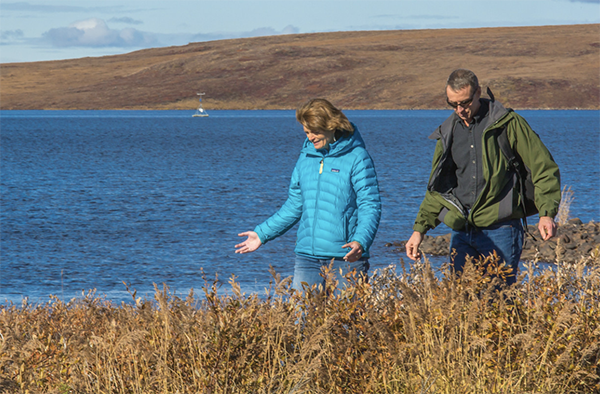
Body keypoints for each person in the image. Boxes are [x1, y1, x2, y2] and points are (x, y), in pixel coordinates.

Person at [405, 69, 561, 285]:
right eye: (453, 104)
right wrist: (419, 230)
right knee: (460, 303)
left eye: (465, 102)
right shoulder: (447, 131)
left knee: (497, 302)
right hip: (461, 231)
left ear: (478, 92)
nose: (460, 110)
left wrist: (546, 213)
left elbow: (543, 167)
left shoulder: (508, 123)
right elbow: (438, 187)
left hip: (502, 229)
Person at [235, 98, 381, 291]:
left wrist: (361, 241)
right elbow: (295, 205)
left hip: (347, 257)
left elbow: (370, 205)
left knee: (347, 321)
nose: (310, 137)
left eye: (315, 131)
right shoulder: (305, 158)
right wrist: (262, 234)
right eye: (306, 132)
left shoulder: (357, 157)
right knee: (301, 320)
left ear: (331, 125)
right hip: (307, 258)